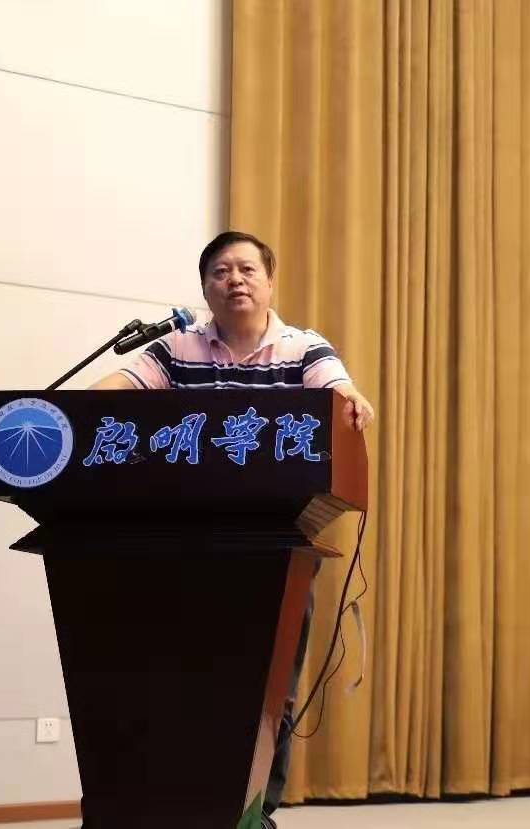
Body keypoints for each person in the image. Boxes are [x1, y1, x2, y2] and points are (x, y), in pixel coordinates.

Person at [93, 231, 374, 828]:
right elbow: (112, 392)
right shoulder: (176, 348)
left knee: (273, 688)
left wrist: (349, 395)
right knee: (186, 680)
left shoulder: (303, 347)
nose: (235, 280)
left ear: (269, 282)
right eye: (220, 272)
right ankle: (183, 802)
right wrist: (79, 408)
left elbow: (336, 389)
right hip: (183, 546)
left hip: (280, 543)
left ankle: (255, 812)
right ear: (205, 288)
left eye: (247, 269)